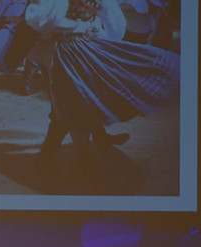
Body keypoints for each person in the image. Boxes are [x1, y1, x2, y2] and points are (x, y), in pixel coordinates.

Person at [22, 0, 179, 170]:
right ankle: (73, 161)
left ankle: (64, 163)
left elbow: (41, 21)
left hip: (67, 52)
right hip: (87, 48)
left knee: (69, 107)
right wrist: (97, 36)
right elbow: (117, 28)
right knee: (80, 103)